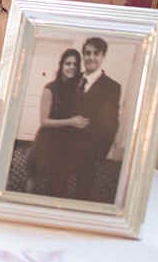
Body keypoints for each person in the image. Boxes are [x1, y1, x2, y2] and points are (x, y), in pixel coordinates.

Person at [25, 49, 85, 196]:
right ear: (61, 65)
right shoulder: (50, 89)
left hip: (64, 143)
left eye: (75, 64)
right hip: (47, 141)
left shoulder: (76, 90)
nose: (71, 67)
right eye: (68, 63)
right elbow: (44, 121)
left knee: (57, 182)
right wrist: (70, 122)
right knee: (34, 178)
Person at [72, 37, 122, 202]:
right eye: (87, 53)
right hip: (66, 145)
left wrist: (98, 155)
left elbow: (111, 124)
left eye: (96, 53)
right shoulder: (72, 79)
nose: (91, 58)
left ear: (103, 56)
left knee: (83, 190)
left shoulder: (112, 87)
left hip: (90, 151)